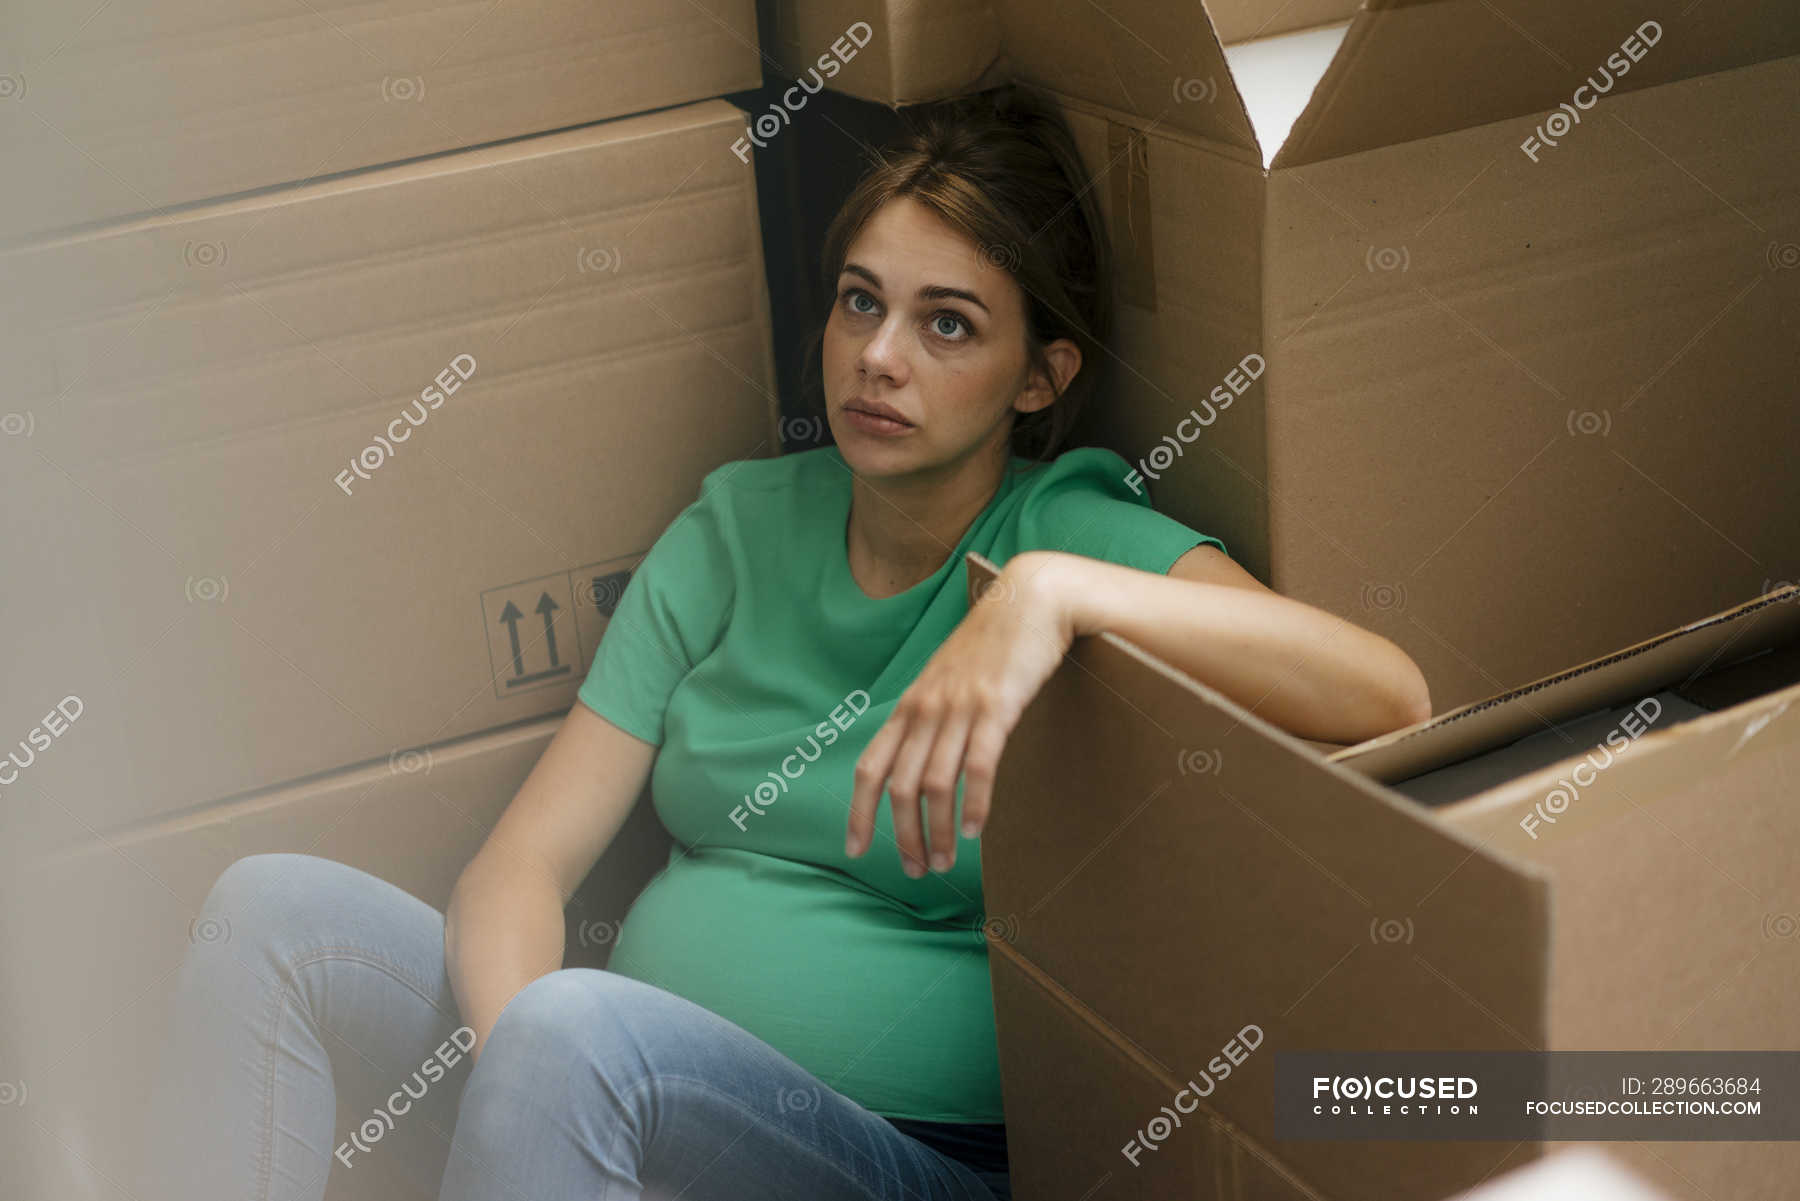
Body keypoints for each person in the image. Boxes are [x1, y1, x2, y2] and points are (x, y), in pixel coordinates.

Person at [133, 84, 1431, 1201]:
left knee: (577, 1032)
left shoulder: (1072, 528)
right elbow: (520, 864)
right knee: (274, 915)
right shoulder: (739, 527)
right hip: (616, 1092)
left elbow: (1386, 692)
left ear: (1039, 377)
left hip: (903, 1157)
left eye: (948, 323)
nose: (879, 355)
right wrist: (525, 1074)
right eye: (860, 302)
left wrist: (1047, 594)